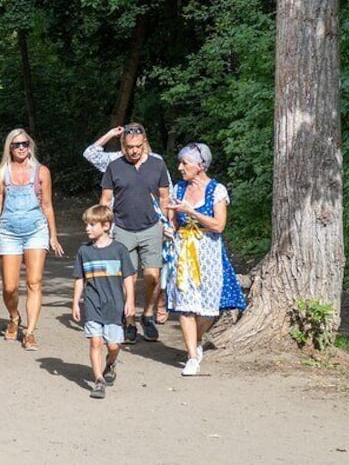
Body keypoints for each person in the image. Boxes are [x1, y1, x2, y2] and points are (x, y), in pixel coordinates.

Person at [165, 143, 246, 376]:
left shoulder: (216, 190)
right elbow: (173, 221)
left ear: (200, 166)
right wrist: (169, 228)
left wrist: (193, 212)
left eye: (185, 163)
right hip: (183, 253)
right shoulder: (179, 189)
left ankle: (197, 338)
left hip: (209, 252)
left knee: (209, 309)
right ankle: (192, 356)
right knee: (185, 306)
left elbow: (218, 225)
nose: (180, 167)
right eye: (180, 163)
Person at [84, 125, 171, 325]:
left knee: (153, 276)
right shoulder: (114, 165)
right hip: (122, 228)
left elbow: (165, 197)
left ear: (145, 143)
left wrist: (168, 223)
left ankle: (148, 313)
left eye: (138, 146)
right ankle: (129, 320)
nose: (134, 151)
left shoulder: (157, 164)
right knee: (127, 279)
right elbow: (105, 200)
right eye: (130, 146)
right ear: (124, 145)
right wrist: (101, 228)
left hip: (152, 227)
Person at [0, 129, 63, 351]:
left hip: (35, 230)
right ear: (9, 147)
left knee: (34, 282)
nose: (21, 148)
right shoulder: (2, 172)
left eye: (25, 143)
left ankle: (30, 332)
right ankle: (13, 316)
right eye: (16, 144)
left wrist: (53, 235)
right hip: (9, 230)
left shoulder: (42, 172)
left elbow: (47, 205)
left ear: (30, 146)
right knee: (10, 287)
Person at [72, 205, 136, 399]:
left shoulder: (119, 250)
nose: (87, 229)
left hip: (114, 304)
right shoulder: (84, 251)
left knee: (114, 345)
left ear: (106, 225)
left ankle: (110, 363)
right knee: (96, 341)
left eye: (92, 224)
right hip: (92, 302)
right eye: (87, 225)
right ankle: (99, 380)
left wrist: (130, 301)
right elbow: (79, 279)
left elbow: (128, 277)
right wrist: (75, 302)